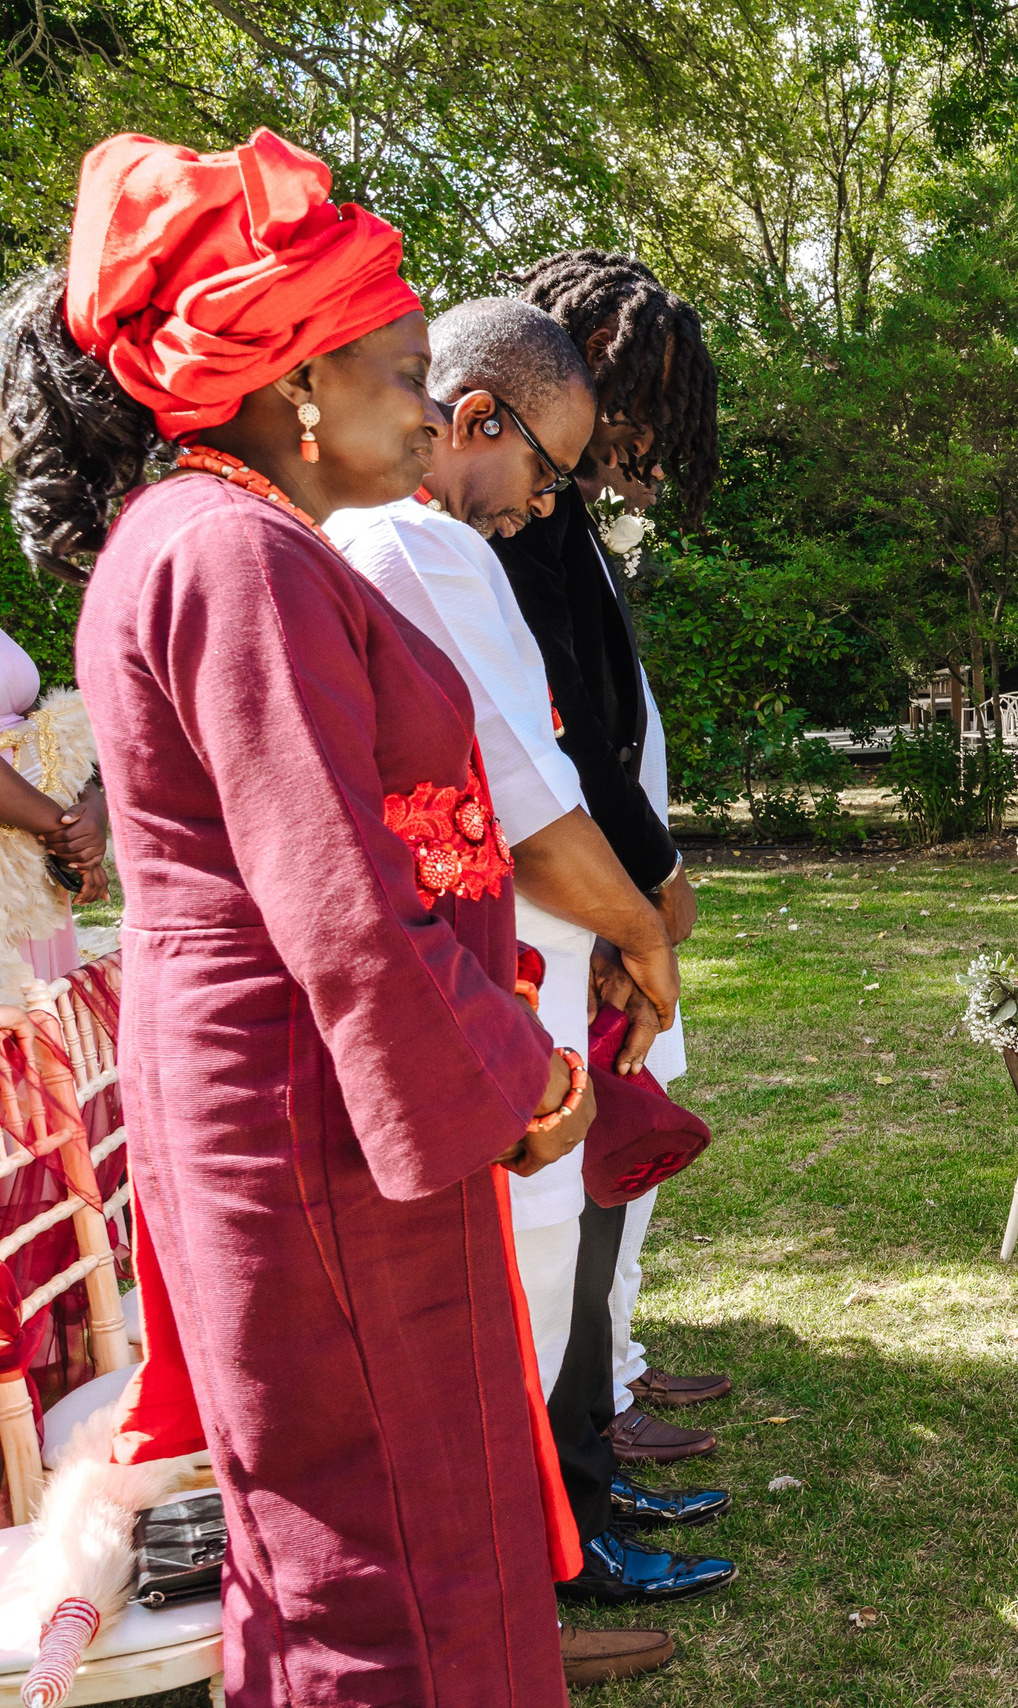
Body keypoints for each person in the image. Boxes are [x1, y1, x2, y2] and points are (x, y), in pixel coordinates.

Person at [5, 129, 599, 1703]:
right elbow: (336, 898)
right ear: (296, 388)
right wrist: (512, 1077)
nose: (428, 408)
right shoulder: (234, 558)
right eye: (405, 370)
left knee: (398, 1516)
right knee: (387, 1549)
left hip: (323, 1097)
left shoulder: (226, 542)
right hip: (317, 1115)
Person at [323, 297, 733, 1657]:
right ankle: (535, 1563)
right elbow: (535, 798)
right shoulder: (418, 545)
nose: (546, 507)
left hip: (518, 961)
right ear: (475, 420)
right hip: (506, 962)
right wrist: (645, 934)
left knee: (540, 1268)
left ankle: (545, 1539)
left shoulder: (404, 539)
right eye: (547, 473)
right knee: (526, 1269)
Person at [492, 250, 728, 1468]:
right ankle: (586, 1422)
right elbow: (561, 725)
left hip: (615, 881)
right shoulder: (516, 518)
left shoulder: (561, 510)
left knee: (619, 1156)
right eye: (633, 397)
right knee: (578, 1182)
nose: (638, 432)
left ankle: (611, 1370)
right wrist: (647, 885)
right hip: (577, 890)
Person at [0, 630, 110, 990]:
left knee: (46, 998)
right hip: (15, 845)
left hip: (37, 836)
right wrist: (66, 835)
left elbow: (39, 725)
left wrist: (89, 804)